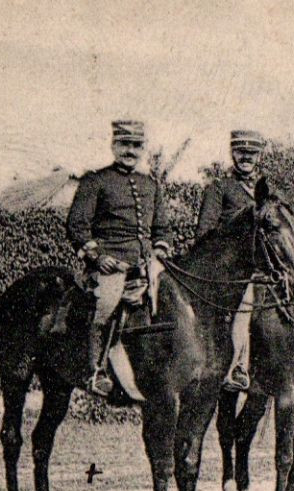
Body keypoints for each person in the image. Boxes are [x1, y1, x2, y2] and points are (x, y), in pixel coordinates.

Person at [65, 118, 172, 396]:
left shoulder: (150, 184)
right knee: (107, 303)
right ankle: (97, 370)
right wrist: (97, 256)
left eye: (136, 146)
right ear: (114, 145)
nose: (130, 151)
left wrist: (159, 249)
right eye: (125, 144)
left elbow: (161, 227)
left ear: (143, 149)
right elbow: (77, 224)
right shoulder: (96, 181)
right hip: (111, 264)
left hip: (146, 264)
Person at [196, 129, 265, 391]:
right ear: (232, 153)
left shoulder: (264, 191)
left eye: (252, 153)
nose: (246, 157)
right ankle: (238, 366)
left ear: (259, 156)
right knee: (245, 307)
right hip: (231, 271)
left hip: (263, 268)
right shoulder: (220, 188)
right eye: (240, 152)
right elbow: (204, 233)